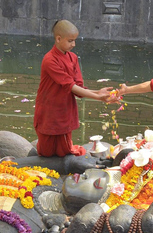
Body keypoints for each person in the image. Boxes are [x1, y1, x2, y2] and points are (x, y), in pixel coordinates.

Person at [34, 20, 113, 157]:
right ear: (58, 39)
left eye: (74, 40)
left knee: (64, 151)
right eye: (70, 41)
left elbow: (77, 87)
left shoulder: (73, 58)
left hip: (64, 108)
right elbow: (69, 86)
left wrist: (97, 92)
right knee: (45, 152)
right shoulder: (50, 60)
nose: (73, 44)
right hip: (49, 109)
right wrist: (98, 97)